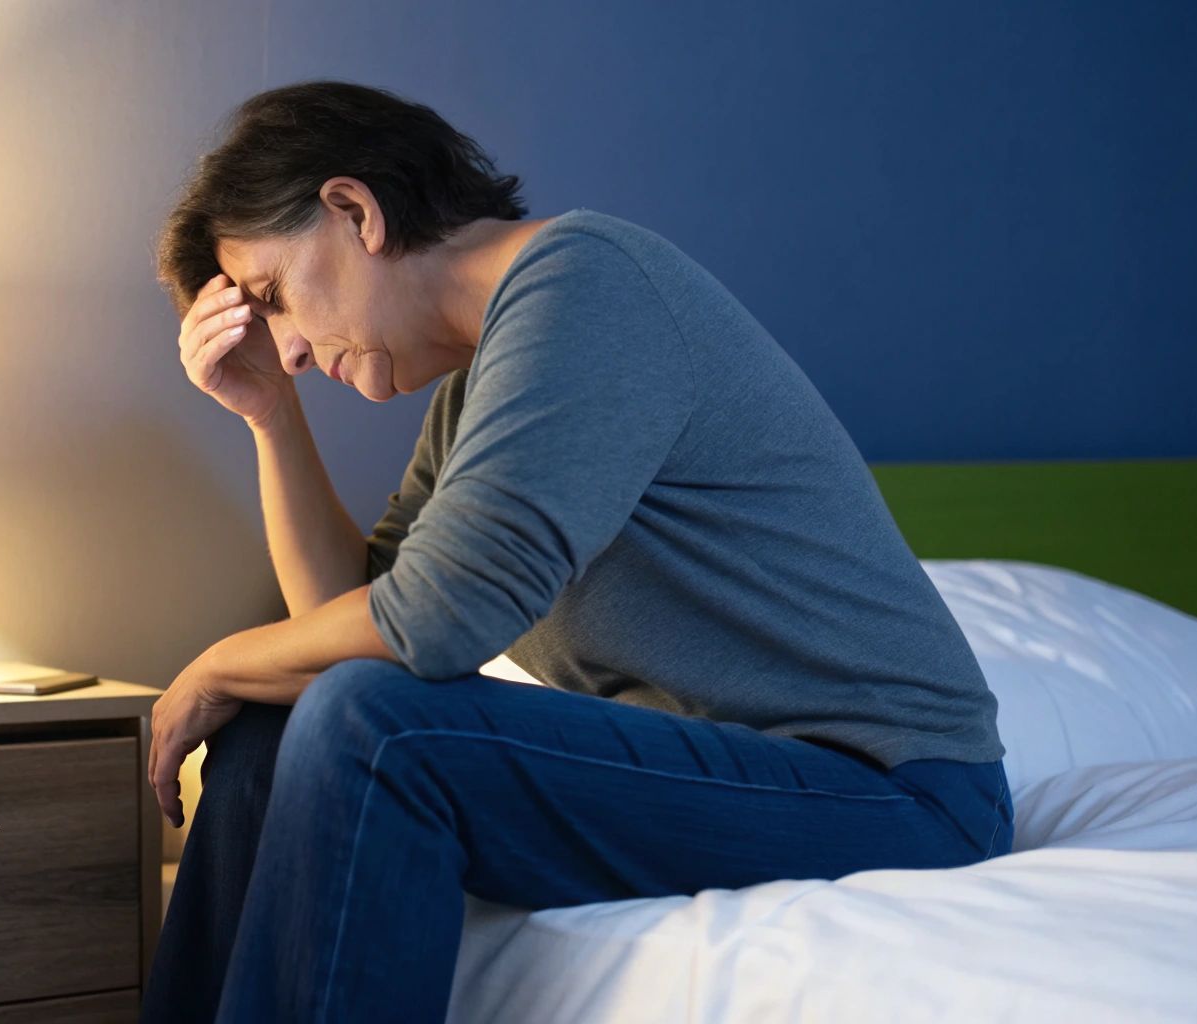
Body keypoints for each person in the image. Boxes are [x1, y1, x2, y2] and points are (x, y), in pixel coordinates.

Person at [140, 80, 1011, 1024]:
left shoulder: (586, 286)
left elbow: (434, 622)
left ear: (355, 211)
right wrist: (272, 414)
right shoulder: (480, 382)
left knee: (374, 722)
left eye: (274, 296)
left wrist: (221, 660)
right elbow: (348, 620)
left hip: (897, 793)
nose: (292, 349)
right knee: (281, 717)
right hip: (730, 767)